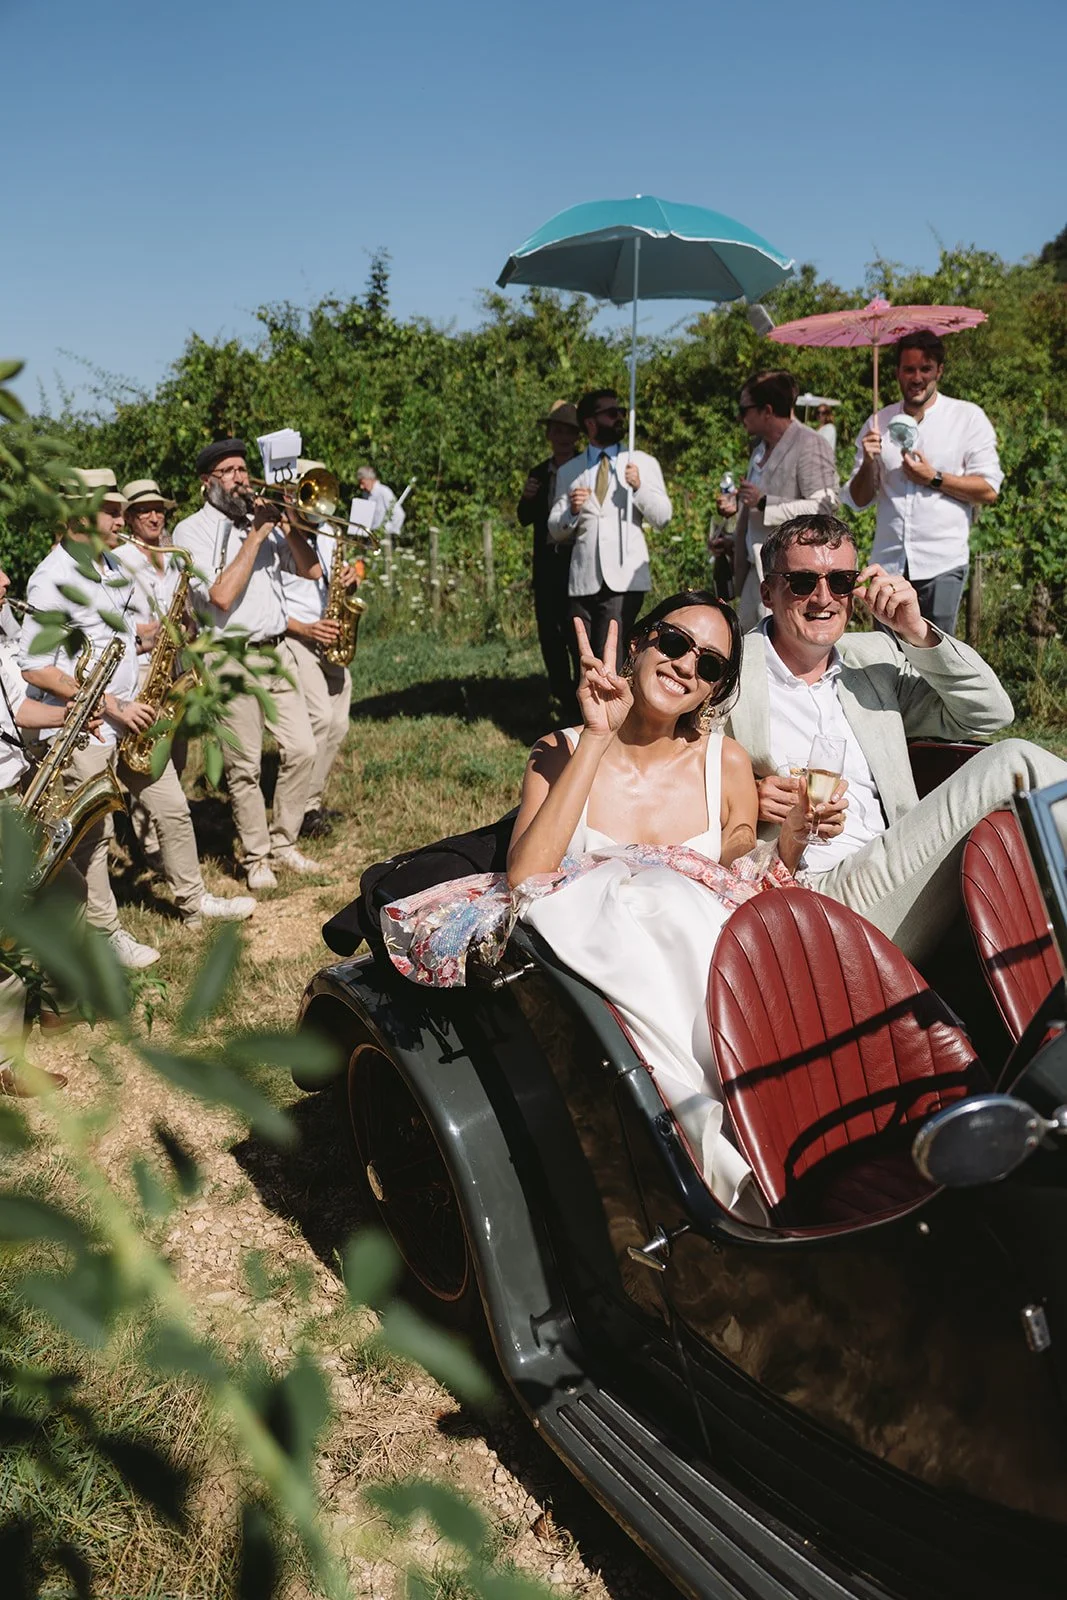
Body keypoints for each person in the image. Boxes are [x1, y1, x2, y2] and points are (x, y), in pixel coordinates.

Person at [500, 594, 819, 1217]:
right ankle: (720, 1156)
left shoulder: (723, 762)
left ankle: (766, 1130)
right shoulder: (557, 750)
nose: (684, 668)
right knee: (657, 898)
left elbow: (729, 875)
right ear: (642, 643)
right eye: (674, 644)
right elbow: (527, 877)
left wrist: (789, 843)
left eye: (709, 665)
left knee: (687, 903)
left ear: (715, 689)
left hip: (698, 975)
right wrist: (597, 735)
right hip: (604, 973)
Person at [726, 513, 1067, 965]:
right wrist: (744, 795)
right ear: (768, 591)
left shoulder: (874, 658)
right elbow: (668, 768)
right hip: (811, 897)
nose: (824, 598)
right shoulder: (727, 669)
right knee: (1013, 764)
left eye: (842, 581)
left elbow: (990, 712)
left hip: (901, 875)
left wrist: (916, 631)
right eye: (804, 581)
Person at [19, 470, 161, 969]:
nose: (123, 519)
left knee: (102, 835)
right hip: (82, 723)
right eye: (113, 510)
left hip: (117, 713)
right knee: (91, 840)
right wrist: (95, 701)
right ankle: (104, 937)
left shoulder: (109, 566)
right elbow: (33, 664)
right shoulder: (51, 575)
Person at [171, 439, 322, 892]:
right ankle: (256, 857)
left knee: (303, 750)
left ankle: (284, 841)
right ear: (207, 482)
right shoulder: (190, 531)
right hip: (229, 655)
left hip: (275, 651)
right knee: (245, 766)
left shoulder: (265, 522)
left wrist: (290, 524)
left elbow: (312, 571)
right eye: (230, 470)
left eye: (243, 468)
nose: (241, 476)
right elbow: (218, 597)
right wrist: (256, 534)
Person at [115, 479, 256, 927]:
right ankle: (163, 864)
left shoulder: (172, 558)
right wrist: (148, 636)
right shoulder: (119, 562)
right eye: (144, 511)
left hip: (173, 672)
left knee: (173, 766)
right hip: (137, 680)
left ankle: (164, 858)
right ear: (130, 517)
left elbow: (187, 611)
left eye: (159, 509)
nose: (155, 517)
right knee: (158, 786)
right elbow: (114, 627)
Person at [0, 562, 92, 1095]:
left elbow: (17, 708)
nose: (7, 581)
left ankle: (55, 1004)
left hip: (20, 790)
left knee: (67, 891)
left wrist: (76, 710)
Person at [844, 330, 1003, 635]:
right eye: (909, 369)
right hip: (889, 564)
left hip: (941, 563)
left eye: (925, 369)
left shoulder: (967, 418)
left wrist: (935, 478)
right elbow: (860, 499)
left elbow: (988, 489)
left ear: (939, 371)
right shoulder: (878, 423)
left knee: (935, 656)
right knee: (886, 658)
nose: (917, 378)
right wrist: (867, 461)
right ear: (897, 373)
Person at [547, 389, 672, 662]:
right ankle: (586, 705)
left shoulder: (642, 463)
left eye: (620, 412)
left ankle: (611, 705)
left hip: (623, 578)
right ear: (590, 422)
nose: (619, 418)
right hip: (583, 579)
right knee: (583, 654)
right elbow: (555, 528)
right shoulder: (571, 471)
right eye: (611, 413)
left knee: (609, 655)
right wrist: (573, 510)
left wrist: (639, 488)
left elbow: (663, 517)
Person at [719, 370, 839, 632]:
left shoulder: (810, 443)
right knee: (744, 649)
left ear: (767, 411)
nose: (740, 417)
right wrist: (735, 524)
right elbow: (754, 507)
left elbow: (825, 507)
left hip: (790, 577)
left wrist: (764, 503)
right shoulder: (759, 449)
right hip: (755, 570)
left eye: (744, 409)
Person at [278, 459, 360, 841]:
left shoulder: (329, 532)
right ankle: (303, 811)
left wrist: (351, 579)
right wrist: (305, 628)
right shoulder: (278, 536)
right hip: (298, 636)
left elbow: (338, 582)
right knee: (320, 721)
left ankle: (311, 800)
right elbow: (271, 602)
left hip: (330, 636)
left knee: (339, 722)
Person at [517, 399, 582, 712]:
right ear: (549, 435)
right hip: (546, 563)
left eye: (568, 431)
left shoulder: (586, 468)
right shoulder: (539, 472)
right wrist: (527, 498)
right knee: (549, 631)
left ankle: (582, 694)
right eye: (557, 430)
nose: (562, 437)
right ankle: (562, 693)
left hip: (576, 562)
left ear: (577, 435)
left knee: (575, 628)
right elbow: (524, 517)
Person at [356, 466, 405, 538]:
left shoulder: (384, 492)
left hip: (384, 537)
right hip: (370, 537)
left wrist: (387, 531)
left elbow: (399, 514)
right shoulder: (366, 494)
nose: (361, 487)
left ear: (370, 479)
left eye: (363, 483)